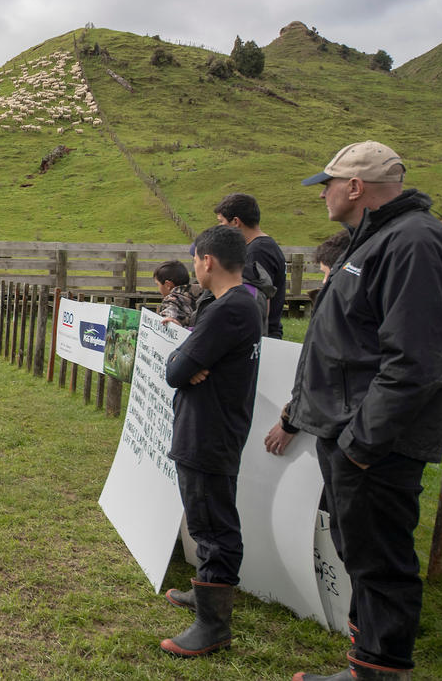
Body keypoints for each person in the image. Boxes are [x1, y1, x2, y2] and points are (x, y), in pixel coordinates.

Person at [287, 142, 442, 681]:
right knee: (361, 555)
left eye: (329, 182)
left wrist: (361, 445)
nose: (323, 192)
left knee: (382, 562)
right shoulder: (373, 240)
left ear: (356, 186)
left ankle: (382, 670)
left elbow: (415, 360)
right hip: (350, 434)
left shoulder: (414, 242)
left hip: (372, 443)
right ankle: (365, 665)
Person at [157, 225, 261, 658]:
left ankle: (213, 625)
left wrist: (184, 361)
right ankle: (205, 596)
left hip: (209, 431)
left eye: (196, 259)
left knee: (213, 526)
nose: (195, 266)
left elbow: (176, 370)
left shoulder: (226, 310)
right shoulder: (237, 303)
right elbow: (186, 360)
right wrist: (187, 358)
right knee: (205, 516)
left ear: (207, 261)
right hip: (212, 426)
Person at [263, 229, 351, 458]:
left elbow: (321, 365)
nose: (324, 282)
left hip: (340, 434)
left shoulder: (339, 310)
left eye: (325, 274)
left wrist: (290, 421)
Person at [214, 193, 287, 338]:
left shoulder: (257, 252)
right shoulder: (264, 246)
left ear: (236, 221)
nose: (219, 227)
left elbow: (258, 301)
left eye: (221, 222)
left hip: (262, 336)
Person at [153, 260, 197, 327]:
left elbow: (169, 314)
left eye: (157, 284)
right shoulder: (200, 295)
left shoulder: (171, 301)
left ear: (168, 285)